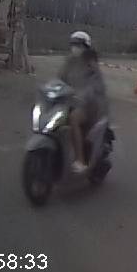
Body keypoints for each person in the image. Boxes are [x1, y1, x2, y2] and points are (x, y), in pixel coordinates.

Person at [57, 31, 108, 174]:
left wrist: (84, 95)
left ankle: (80, 160)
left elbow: (97, 85)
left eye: (78, 45)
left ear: (86, 47)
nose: (75, 48)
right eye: (73, 45)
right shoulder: (69, 62)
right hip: (71, 103)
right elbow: (59, 79)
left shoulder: (90, 63)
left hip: (89, 106)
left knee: (73, 118)